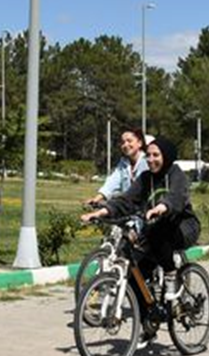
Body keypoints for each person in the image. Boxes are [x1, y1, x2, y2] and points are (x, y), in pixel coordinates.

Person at [81, 138, 201, 338]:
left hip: (183, 227)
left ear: (167, 157)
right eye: (149, 155)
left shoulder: (176, 174)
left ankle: (171, 274)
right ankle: (149, 322)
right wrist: (101, 212)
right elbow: (127, 200)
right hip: (156, 230)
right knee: (134, 274)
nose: (151, 159)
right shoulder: (146, 178)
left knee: (160, 234)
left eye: (156, 155)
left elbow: (176, 197)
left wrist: (163, 207)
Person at [85, 128, 149, 207]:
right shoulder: (123, 163)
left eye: (129, 141)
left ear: (140, 143)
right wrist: (97, 199)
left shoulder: (148, 162)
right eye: (123, 142)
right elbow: (113, 181)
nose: (125, 145)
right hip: (129, 205)